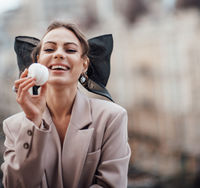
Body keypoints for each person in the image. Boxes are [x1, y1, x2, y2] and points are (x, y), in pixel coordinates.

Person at [1, 21, 131, 188]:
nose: (59, 54)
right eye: (49, 49)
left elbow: (111, 185)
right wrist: (32, 121)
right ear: (37, 61)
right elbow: (17, 184)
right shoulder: (13, 127)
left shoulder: (112, 117)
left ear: (84, 64)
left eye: (70, 50)